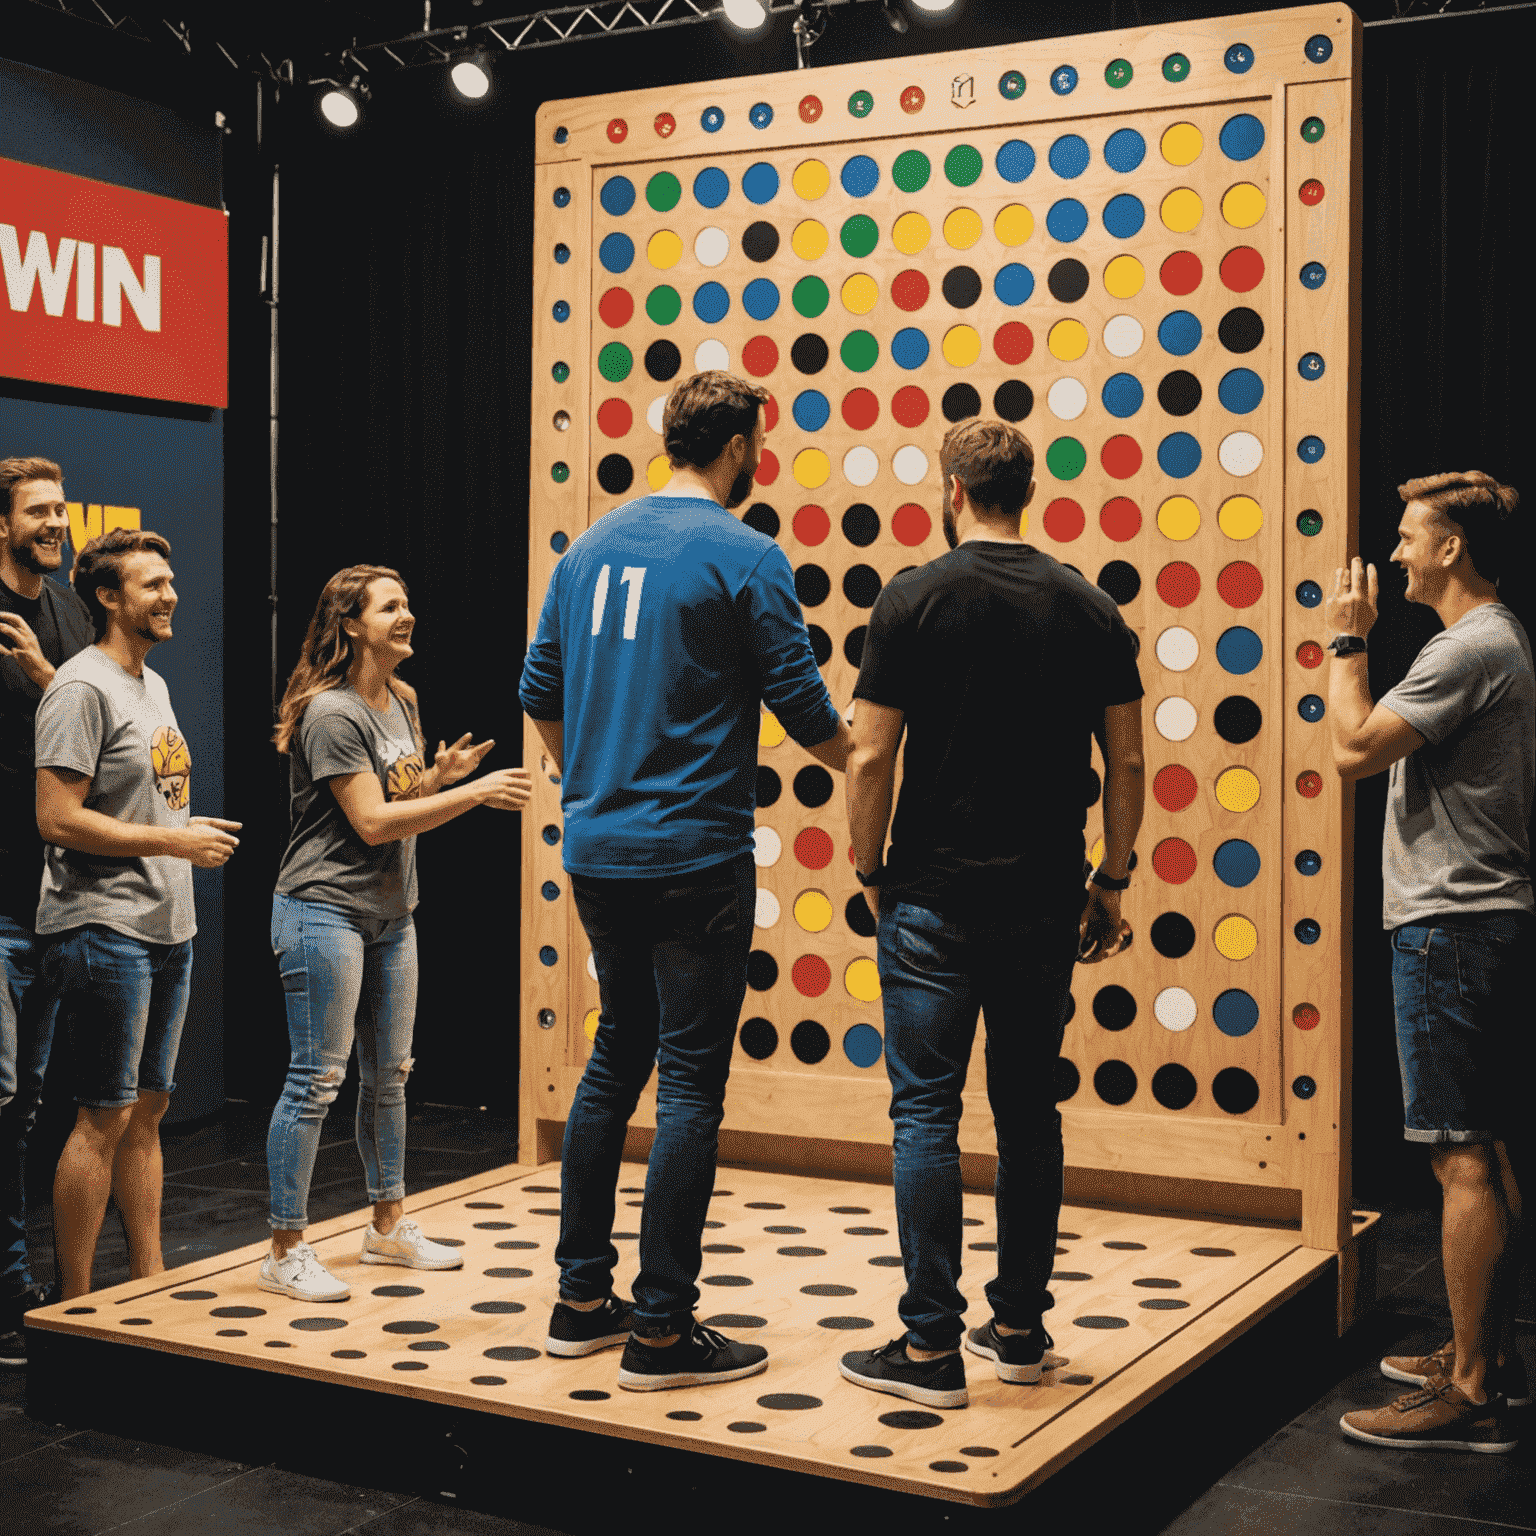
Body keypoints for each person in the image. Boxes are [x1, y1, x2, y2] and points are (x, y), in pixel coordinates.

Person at [520, 370, 852, 1390]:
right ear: (740, 445)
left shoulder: (589, 550)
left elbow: (538, 690)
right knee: (691, 1082)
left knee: (614, 1055)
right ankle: (661, 1329)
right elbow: (808, 713)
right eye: (761, 442)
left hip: (598, 850)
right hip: (696, 856)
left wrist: (587, 782)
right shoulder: (746, 555)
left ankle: (581, 1301)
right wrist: (876, 773)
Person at [838, 419, 1145, 1409]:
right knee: (1028, 1114)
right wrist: (1112, 880)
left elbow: (873, 754)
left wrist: (869, 866)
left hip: (931, 894)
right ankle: (1018, 1330)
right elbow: (1128, 762)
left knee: (925, 1110)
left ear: (954, 491)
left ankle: (929, 1350)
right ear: (1028, 490)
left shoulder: (914, 598)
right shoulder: (1092, 608)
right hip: (1046, 898)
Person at [262, 565, 531, 1302]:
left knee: (392, 1074)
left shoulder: (402, 700)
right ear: (350, 625)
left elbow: (396, 799)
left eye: (407, 602)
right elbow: (373, 822)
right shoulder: (330, 713)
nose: (406, 614)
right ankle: (285, 1247)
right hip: (323, 909)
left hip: (391, 911)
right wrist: (473, 794)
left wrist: (438, 777)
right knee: (317, 1079)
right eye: (389, 606)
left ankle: (387, 1226)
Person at [1330, 472, 1531, 1453]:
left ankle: (1471, 1392)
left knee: (1460, 1156)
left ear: (1452, 549)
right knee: (1483, 1149)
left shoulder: (1469, 647)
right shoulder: (1496, 641)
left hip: (1450, 924)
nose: (1396, 552)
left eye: (1410, 537)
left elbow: (1354, 745)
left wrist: (1344, 638)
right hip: (1475, 920)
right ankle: (1478, 1350)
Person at [34, 528, 241, 1300]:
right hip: (100, 927)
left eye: (170, 580)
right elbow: (56, 817)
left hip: (166, 925)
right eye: (152, 585)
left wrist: (172, 845)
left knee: (147, 1109)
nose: (171, 595)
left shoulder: (149, 683)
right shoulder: (80, 687)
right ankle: (77, 1302)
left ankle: (146, 1284)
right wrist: (171, 841)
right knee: (102, 1116)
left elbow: (150, 795)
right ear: (108, 599)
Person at [0, 457, 95, 1360]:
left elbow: (87, 736)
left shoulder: (66, 613)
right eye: (38, 511)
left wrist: (42, 673)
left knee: (27, 1102)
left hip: (49, 895)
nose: (55, 523)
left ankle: (18, 1281)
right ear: (1, 525)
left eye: (60, 509)